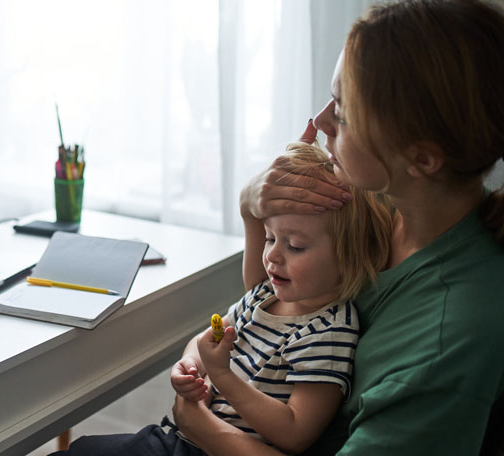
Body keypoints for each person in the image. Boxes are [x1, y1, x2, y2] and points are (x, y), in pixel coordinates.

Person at [173, 0, 504, 454]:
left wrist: (198, 424)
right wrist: (255, 204)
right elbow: (280, 302)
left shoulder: (451, 335)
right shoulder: (377, 206)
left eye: (345, 114)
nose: (322, 119)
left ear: (422, 158)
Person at [53, 141, 394, 455]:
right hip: (177, 439)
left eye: (295, 245)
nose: (273, 256)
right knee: (84, 449)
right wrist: (188, 366)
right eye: (269, 238)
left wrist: (223, 376)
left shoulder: (329, 332)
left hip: (210, 449)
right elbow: (206, 340)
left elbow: (294, 432)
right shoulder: (263, 295)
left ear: (349, 255)